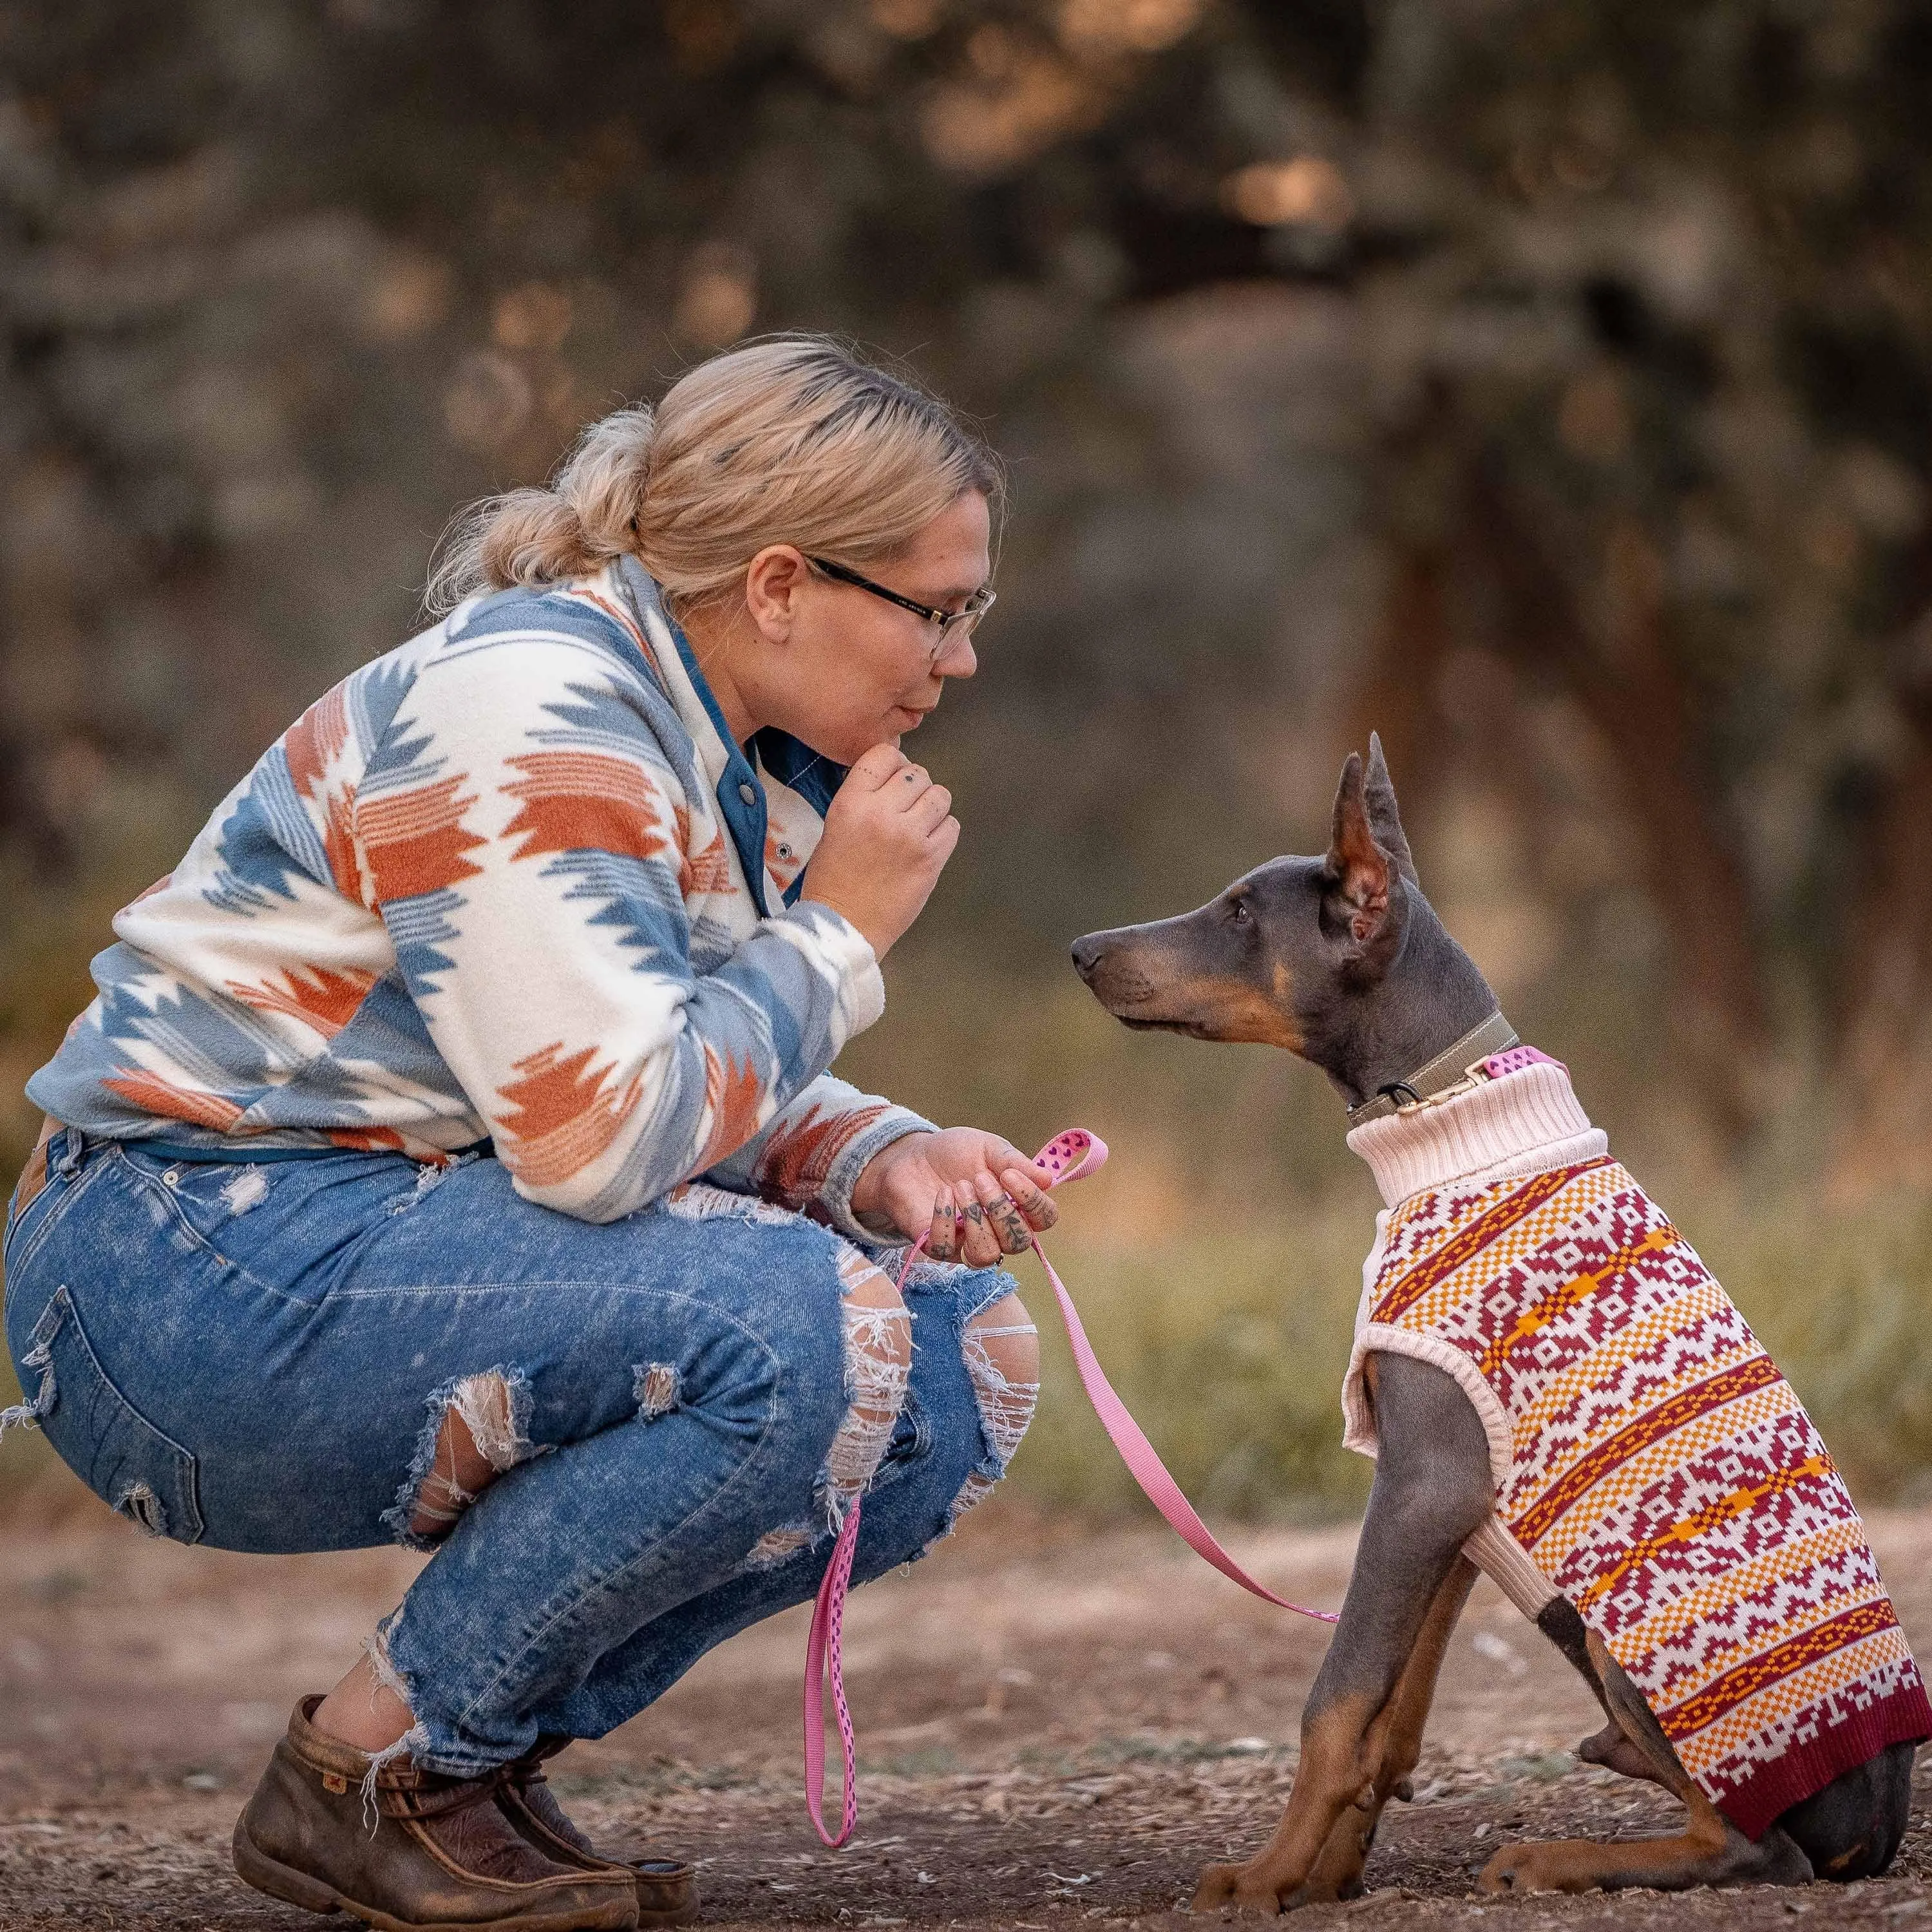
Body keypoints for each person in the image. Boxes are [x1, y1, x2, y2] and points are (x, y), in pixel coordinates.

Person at [2, 337, 1059, 1932]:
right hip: (176, 1267)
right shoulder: (533, 713)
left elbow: (639, 1053)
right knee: (808, 1329)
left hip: (350, 1227)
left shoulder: (717, 745)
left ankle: (463, 1763)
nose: (960, 658)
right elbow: (599, 1141)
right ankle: (371, 1773)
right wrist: (839, 938)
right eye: (939, 608)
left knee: (956, 1353)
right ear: (779, 583)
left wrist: (877, 1154)